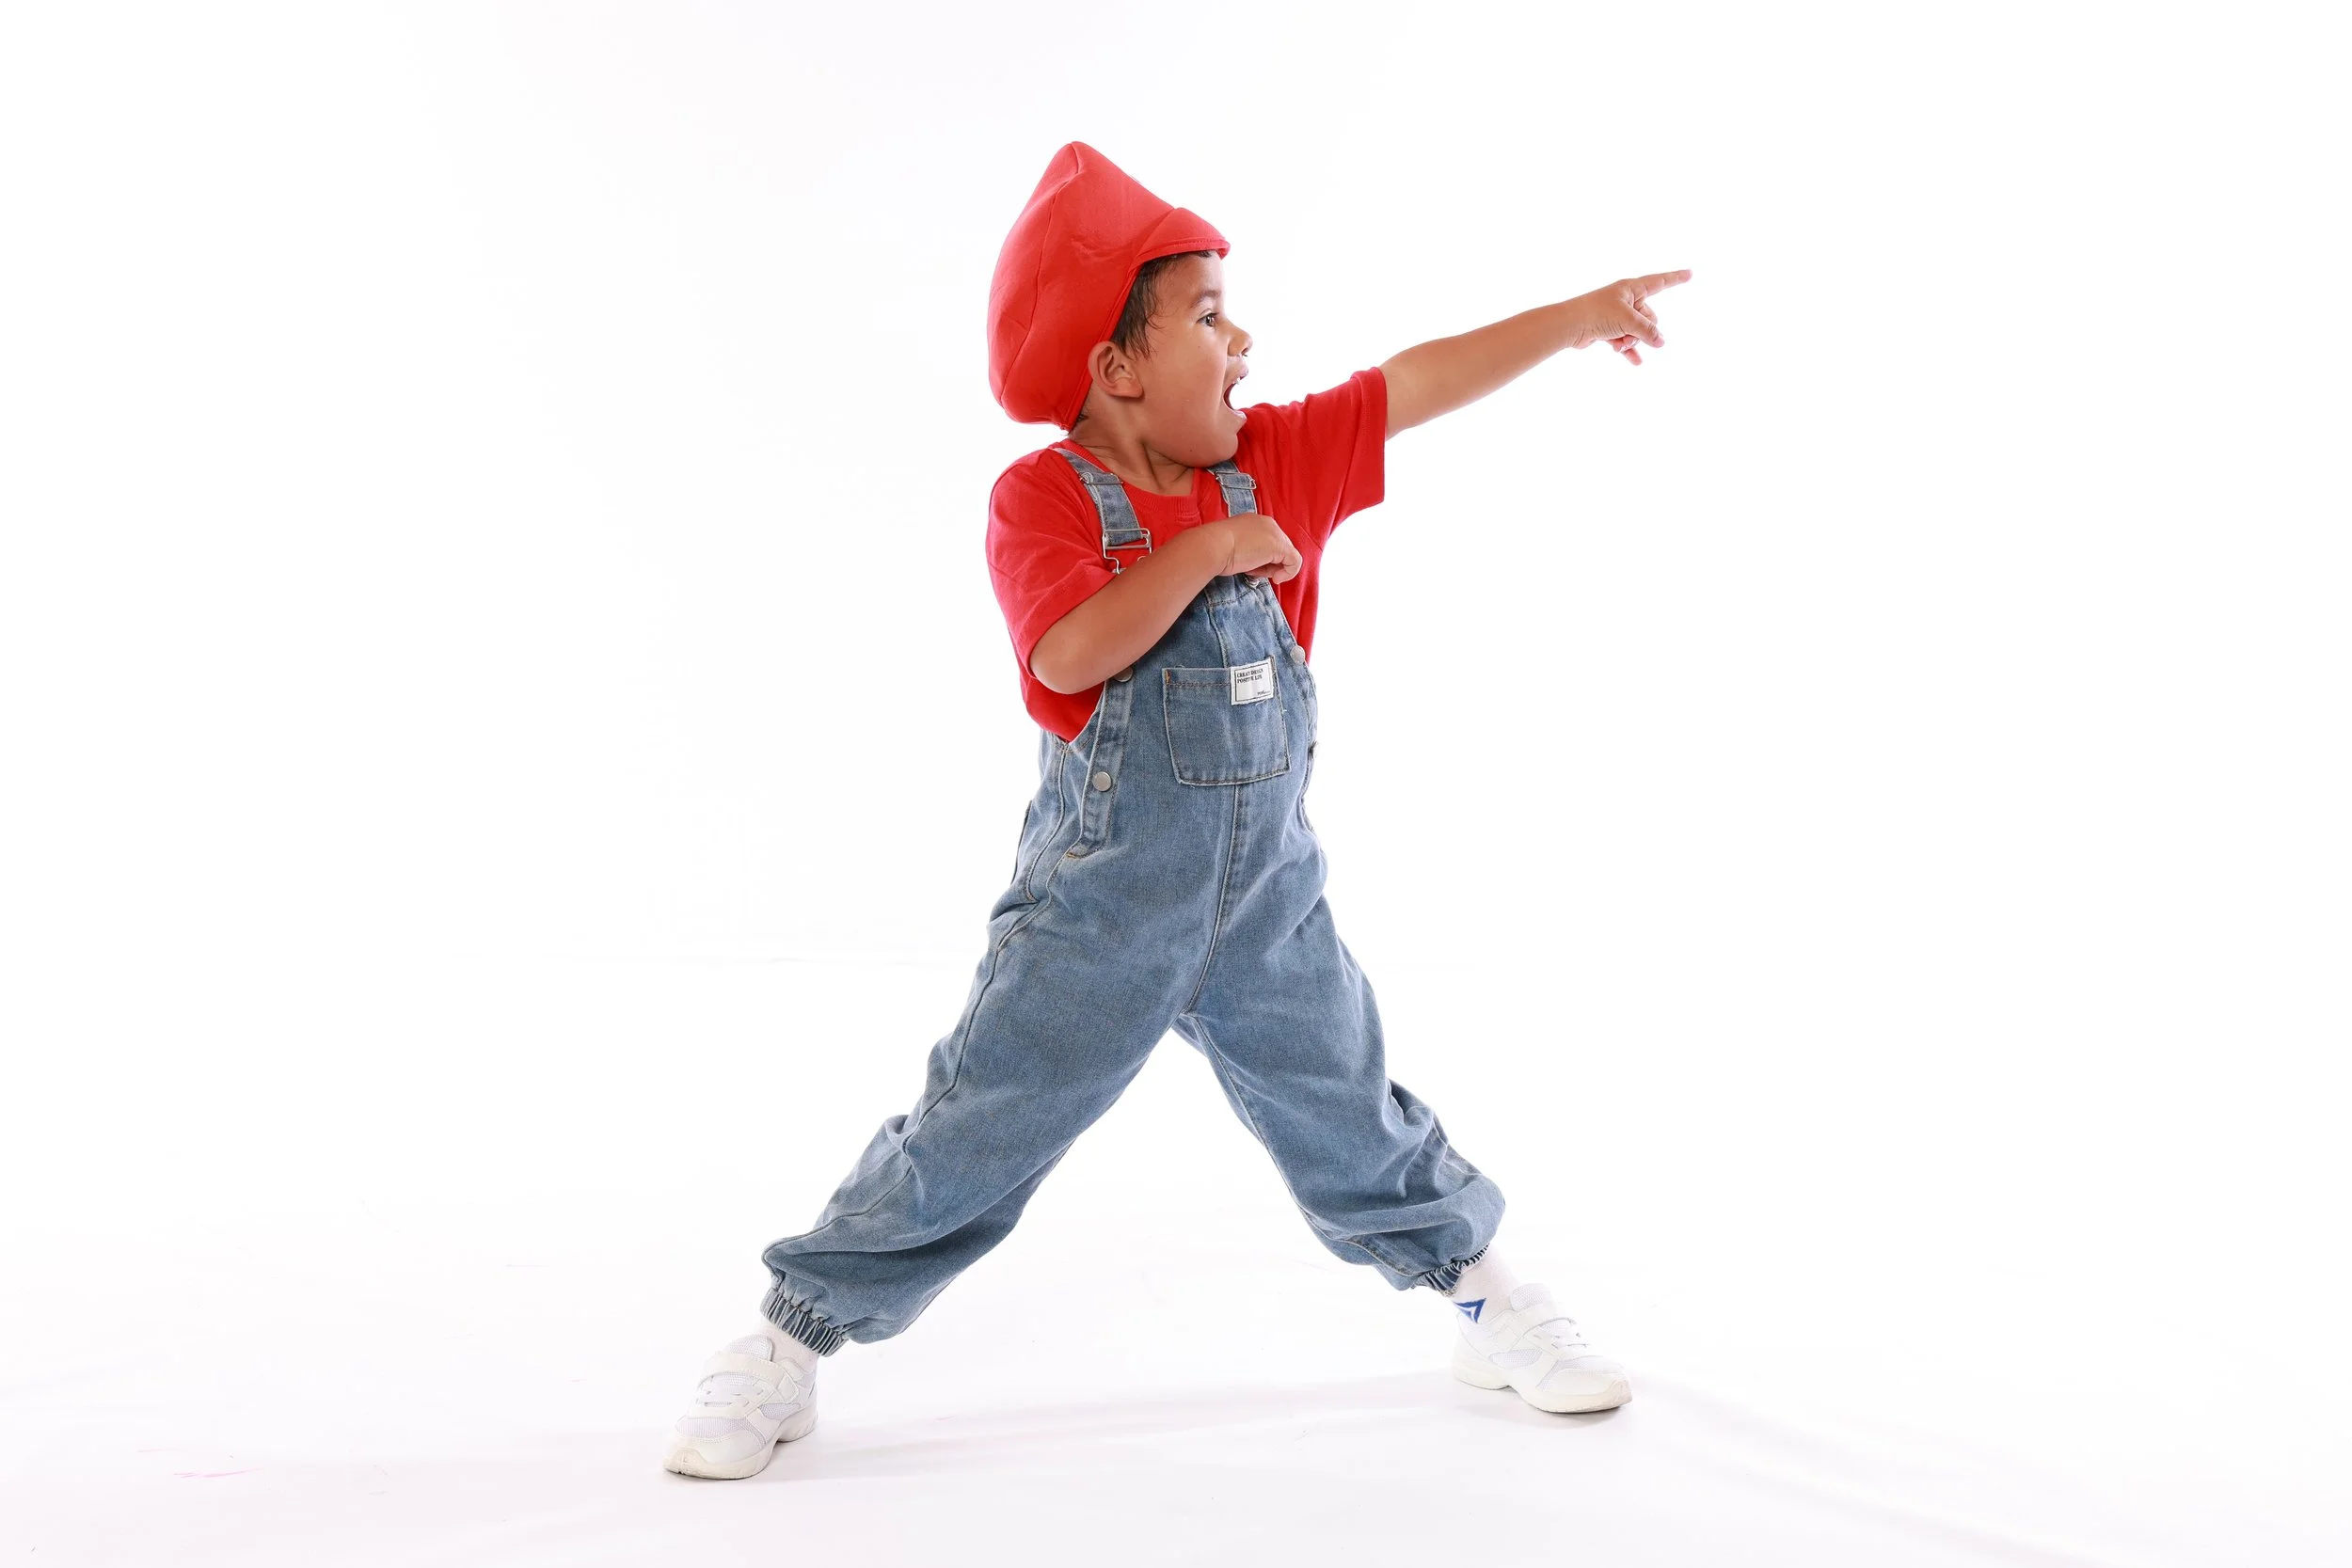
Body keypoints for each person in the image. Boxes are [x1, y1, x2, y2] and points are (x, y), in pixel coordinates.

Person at [664, 141, 1690, 1480]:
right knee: (975, 1127)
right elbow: (1069, 654)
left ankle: (1485, 1296)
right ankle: (786, 1343)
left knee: (1352, 1105)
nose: (1243, 337)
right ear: (1117, 367)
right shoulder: (1043, 499)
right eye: (1207, 313)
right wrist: (1204, 549)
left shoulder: (1275, 462)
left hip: (1268, 899)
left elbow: (1415, 381)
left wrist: (1572, 319)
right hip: (1099, 911)